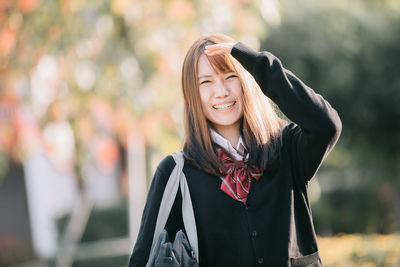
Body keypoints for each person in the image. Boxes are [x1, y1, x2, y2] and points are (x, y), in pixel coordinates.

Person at [128, 33, 342, 267]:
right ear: (193, 93)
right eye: (206, 82)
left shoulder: (287, 147)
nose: (221, 92)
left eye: (230, 77)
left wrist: (256, 62)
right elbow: (142, 260)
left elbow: (326, 124)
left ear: (247, 81)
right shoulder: (176, 173)